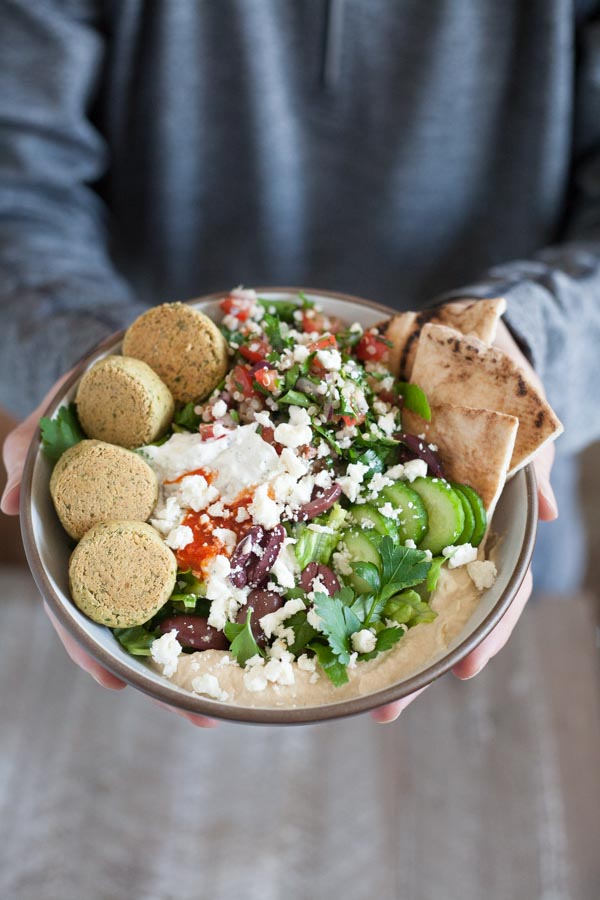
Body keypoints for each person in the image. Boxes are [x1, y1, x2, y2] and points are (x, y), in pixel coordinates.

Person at [1, 1, 597, 727]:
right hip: (115, 673)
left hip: (518, 573)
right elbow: (15, 193)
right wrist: (85, 363)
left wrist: (526, 349)